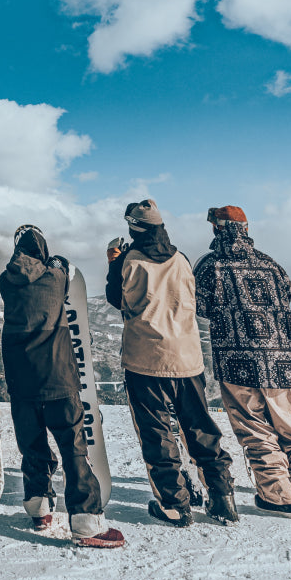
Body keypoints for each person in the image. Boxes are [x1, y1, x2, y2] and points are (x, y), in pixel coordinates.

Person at [194, 205, 291, 520]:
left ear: (216, 228)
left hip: (237, 359)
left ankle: (279, 496)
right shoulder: (271, 264)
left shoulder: (211, 265)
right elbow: (289, 293)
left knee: (254, 427)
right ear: (245, 228)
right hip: (280, 358)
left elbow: (200, 306)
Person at [106, 199, 237, 528]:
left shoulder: (131, 260)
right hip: (188, 359)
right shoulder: (182, 259)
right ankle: (223, 499)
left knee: (157, 432)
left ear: (134, 228)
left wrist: (113, 263)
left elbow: (118, 298)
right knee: (200, 427)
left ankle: (175, 505)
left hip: (146, 361)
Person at [0, 224, 124, 548]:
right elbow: (64, 269)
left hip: (21, 385)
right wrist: (55, 261)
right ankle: (86, 521)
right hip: (56, 379)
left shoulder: (6, 282)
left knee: (33, 447)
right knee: (73, 449)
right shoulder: (54, 279)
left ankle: (39, 506)